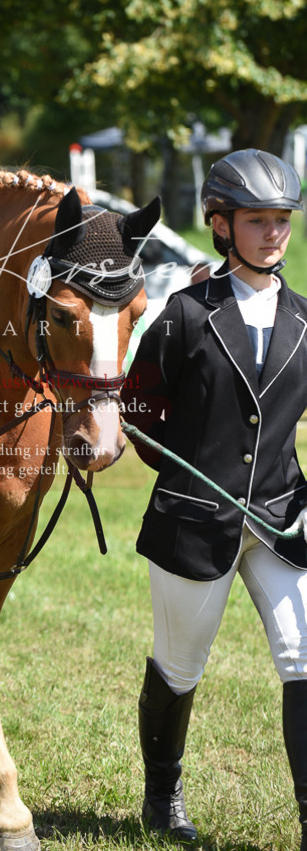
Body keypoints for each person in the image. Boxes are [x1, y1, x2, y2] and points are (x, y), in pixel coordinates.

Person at [124, 149, 307, 847]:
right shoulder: (186, 314)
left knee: (304, 653)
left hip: (283, 520)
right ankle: (161, 798)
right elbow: (139, 407)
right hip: (194, 524)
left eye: (282, 221)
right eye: (258, 221)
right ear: (221, 224)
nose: (274, 234)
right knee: (179, 667)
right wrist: (180, 472)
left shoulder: (305, 320)